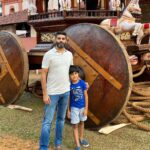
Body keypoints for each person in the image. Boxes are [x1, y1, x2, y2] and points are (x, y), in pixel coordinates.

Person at [39, 31, 73, 150]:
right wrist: (45, 93)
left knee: (61, 120)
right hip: (52, 93)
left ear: (66, 41)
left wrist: (82, 84)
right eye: (58, 38)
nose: (61, 40)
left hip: (65, 92)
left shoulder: (69, 55)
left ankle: (58, 144)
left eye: (63, 39)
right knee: (47, 121)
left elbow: (71, 73)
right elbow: (43, 74)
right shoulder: (48, 54)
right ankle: (43, 147)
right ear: (55, 40)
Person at [67, 65, 89, 150]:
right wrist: (68, 110)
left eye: (76, 73)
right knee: (75, 126)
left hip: (82, 108)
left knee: (82, 123)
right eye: (72, 74)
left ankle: (81, 138)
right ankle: (78, 145)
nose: (74, 75)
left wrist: (86, 109)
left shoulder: (82, 83)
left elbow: (86, 96)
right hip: (74, 109)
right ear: (69, 75)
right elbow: (68, 98)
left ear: (78, 74)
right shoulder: (69, 85)